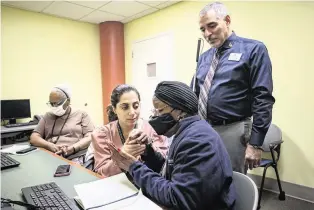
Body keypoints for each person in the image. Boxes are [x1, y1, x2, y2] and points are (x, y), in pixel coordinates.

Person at [106, 81, 235, 210]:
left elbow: (177, 198)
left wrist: (134, 167)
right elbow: (171, 172)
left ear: (179, 110)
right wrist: (148, 152)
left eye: (160, 110)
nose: (154, 117)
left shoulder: (197, 140)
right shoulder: (187, 131)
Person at [191, 2, 275, 173]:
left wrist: (255, 143)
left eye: (212, 25)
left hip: (233, 130)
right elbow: (195, 93)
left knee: (232, 183)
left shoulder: (253, 49)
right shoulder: (204, 58)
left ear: (227, 20)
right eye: (202, 29)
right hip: (203, 128)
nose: (207, 33)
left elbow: (263, 98)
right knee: (205, 178)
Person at [91, 84, 167, 177]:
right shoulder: (102, 134)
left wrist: (149, 149)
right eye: (125, 107)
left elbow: (163, 164)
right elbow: (101, 172)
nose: (132, 112)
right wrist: (123, 155)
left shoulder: (151, 129)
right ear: (114, 109)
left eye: (136, 106)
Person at [30, 84, 94, 164]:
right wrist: (49, 145)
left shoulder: (81, 114)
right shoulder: (48, 116)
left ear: (67, 101)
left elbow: (90, 136)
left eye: (57, 104)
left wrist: (73, 148)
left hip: (74, 156)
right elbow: (34, 137)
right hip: (50, 156)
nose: (54, 107)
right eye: (51, 104)